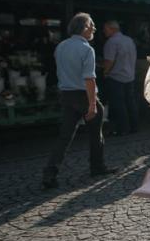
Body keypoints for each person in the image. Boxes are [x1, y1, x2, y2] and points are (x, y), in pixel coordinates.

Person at [42, 13, 116, 189]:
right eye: (92, 25)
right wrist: (91, 104)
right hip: (83, 95)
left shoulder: (61, 46)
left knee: (64, 137)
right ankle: (97, 167)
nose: (94, 29)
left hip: (66, 95)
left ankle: (50, 173)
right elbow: (89, 79)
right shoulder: (86, 49)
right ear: (84, 27)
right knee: (95, 134)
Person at [103, 20, 138, 136]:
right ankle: (134, 126)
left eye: (105, 29)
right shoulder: (129, 40)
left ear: (112, 29)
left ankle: (122, 128)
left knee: (118, 104)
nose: (104, 31)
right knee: (130, 102)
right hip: (130, 75)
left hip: (116, 77)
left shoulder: (111, 42)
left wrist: (105, 72)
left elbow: (109, 61)